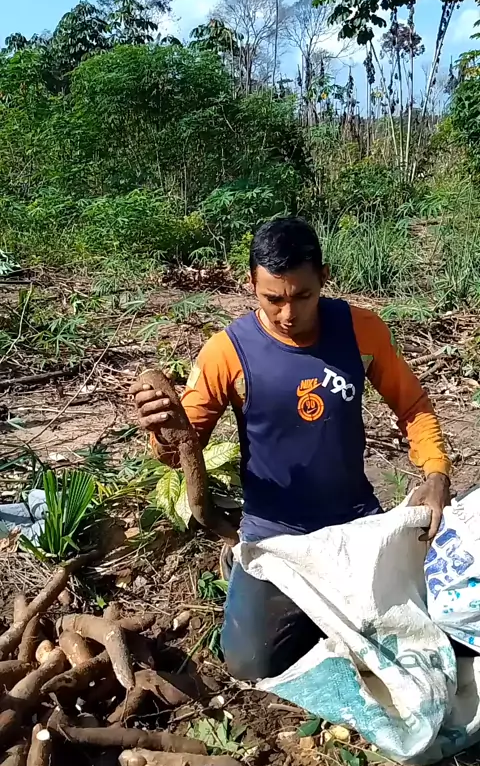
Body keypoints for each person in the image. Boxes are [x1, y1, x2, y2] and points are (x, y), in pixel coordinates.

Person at [131, 217, 451, 681]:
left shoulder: (360, 330)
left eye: (302, 296)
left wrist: (436, 472)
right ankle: (252, 573)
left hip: (354, 520)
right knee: (249, 663)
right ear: (251, 285)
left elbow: (413, 405)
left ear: (323, 278)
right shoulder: (228, 352)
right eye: (273, 299)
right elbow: (181, 447)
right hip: (274, 531)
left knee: (415, 639)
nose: (287, 313)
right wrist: (165, 432)